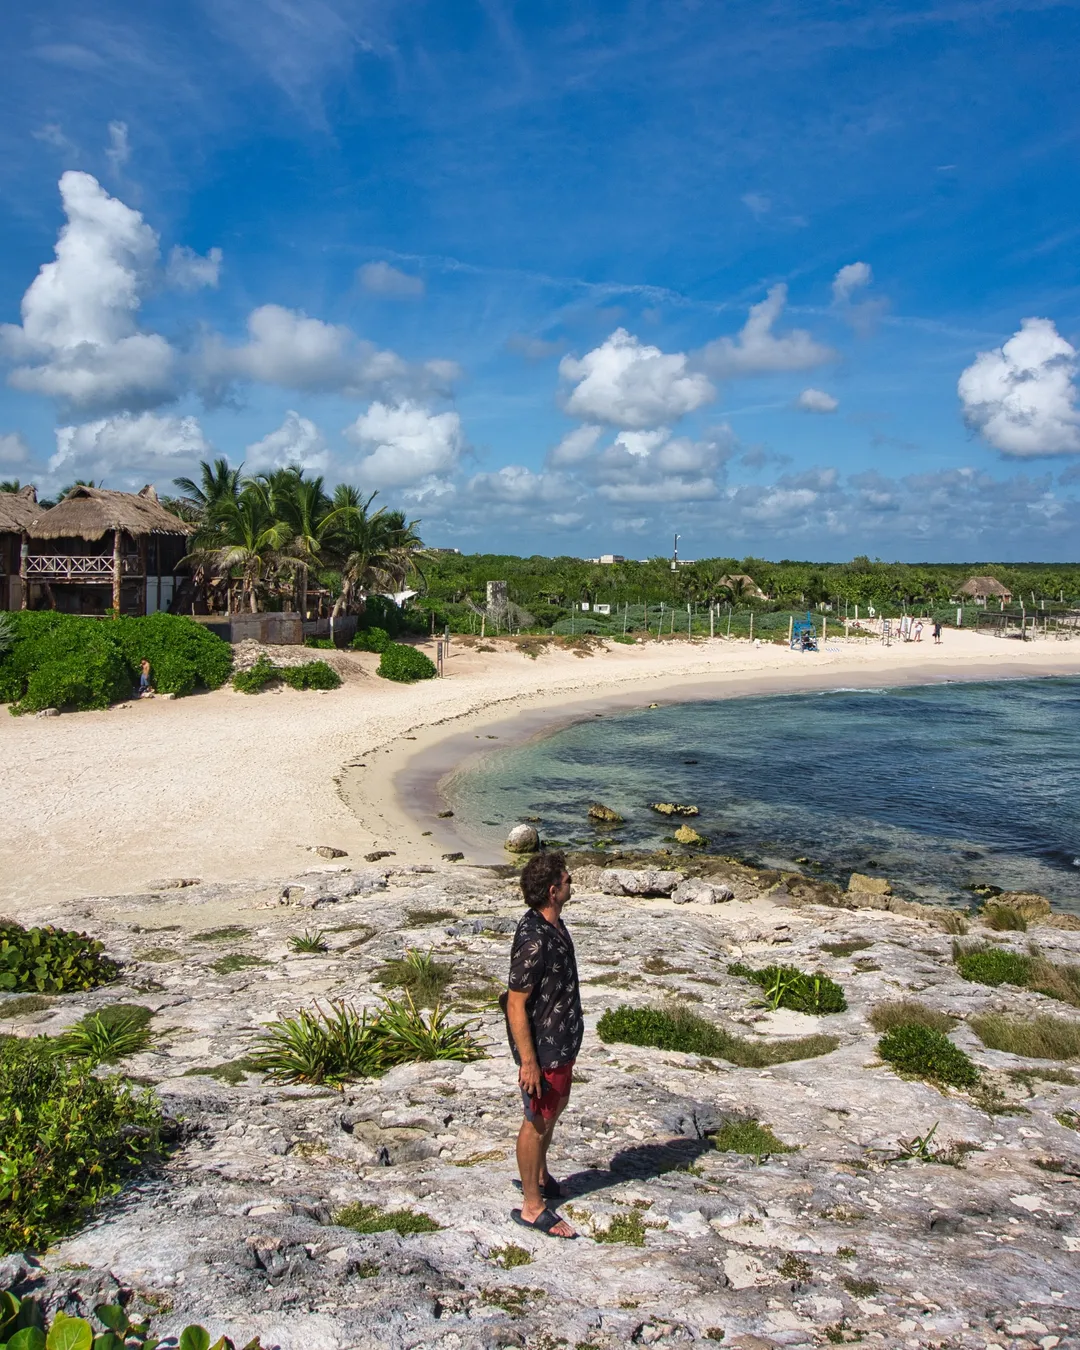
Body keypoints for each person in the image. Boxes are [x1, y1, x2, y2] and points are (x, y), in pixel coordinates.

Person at [503, 851, 582, 1239]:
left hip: (561, 1043)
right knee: (537, 1121)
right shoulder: (534, 938)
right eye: (568, 880)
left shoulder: (553, 924)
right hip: (544, 1050)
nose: (572, 884)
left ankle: (539, 1176)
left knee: (551, 1113)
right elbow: (515, 1001)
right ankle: (533, 1207)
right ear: (553, 892)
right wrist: (529, 1063)